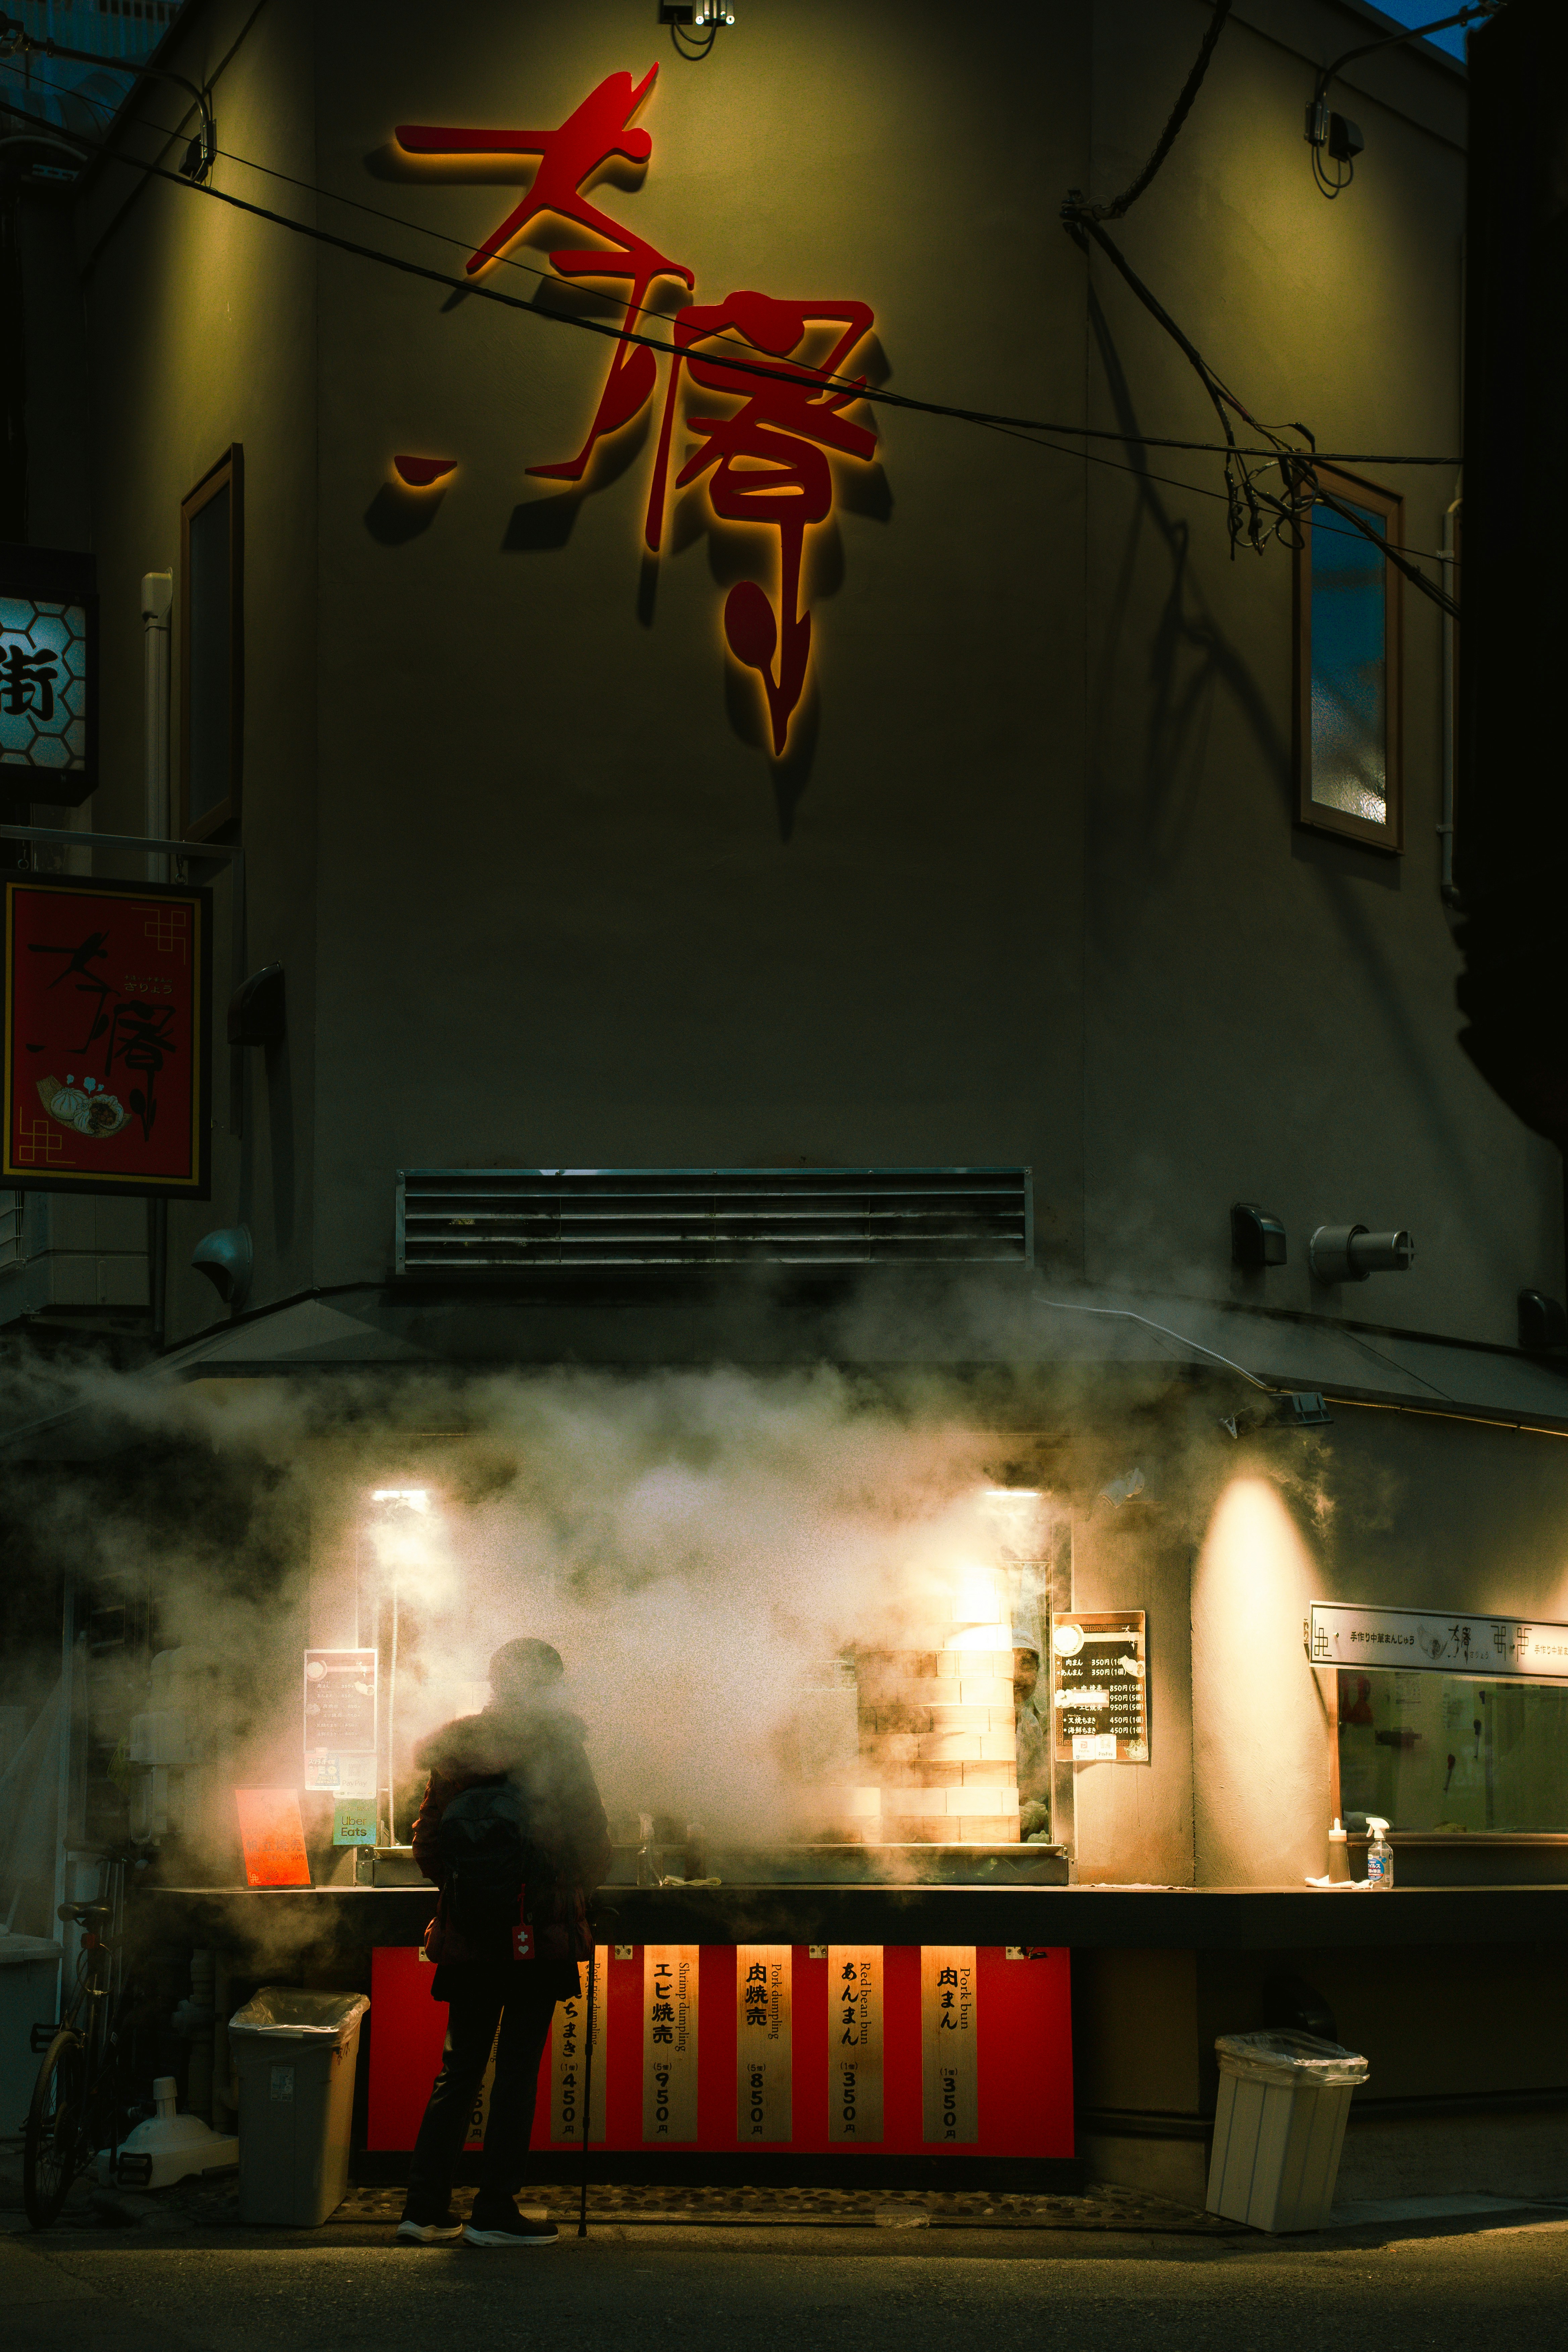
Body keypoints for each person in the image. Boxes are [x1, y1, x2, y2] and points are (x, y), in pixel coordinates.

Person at [397, 1637, 610, 2249]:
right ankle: (494, 2208)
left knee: (458, 2068)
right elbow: (590, 1836)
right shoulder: (560, 1747)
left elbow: (428, 1844)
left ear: (494, 1683)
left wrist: (471, 1896)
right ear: (548, 1686)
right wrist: (553, 1894)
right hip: (534, 1940)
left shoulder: (457, 1751)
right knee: (516, 2068)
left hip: (468, 1941)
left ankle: (424, 2206)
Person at [1013, 1632, 1052, 1841]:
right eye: (1008, 1664)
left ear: (1038, 1672)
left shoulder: (1042, 1725)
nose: (1016, 1676)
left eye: (1026, 1665)